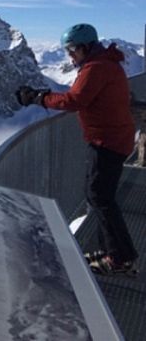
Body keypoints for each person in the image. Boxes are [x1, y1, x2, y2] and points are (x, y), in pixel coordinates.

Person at [16, 23, 138, 276]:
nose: (70, 55)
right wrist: (45, 95)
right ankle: (113, 251)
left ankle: (120, 258)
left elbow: (75, 100)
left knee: (100, 197)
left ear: (86, 47)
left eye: (72, 49)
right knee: (98, 195)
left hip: (108, 141)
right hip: (112, 137)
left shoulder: (96, 68)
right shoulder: (106, 64)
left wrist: (39, 98)